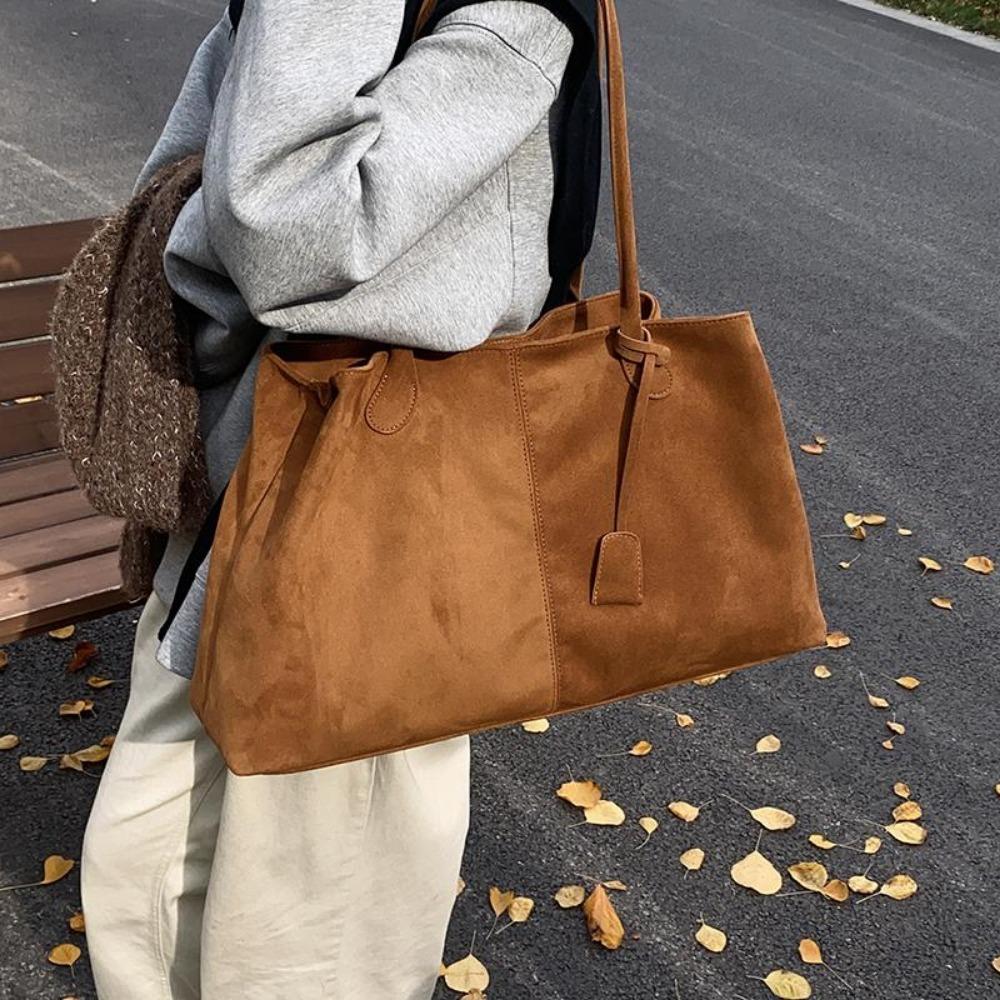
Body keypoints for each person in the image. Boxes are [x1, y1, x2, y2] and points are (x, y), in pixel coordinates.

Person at [79, 1, 596, 997]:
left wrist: (205, 281)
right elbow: (190, 185)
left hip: (377, 539)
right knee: (152, 865)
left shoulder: (506, 20)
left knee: (308, 932)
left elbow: (279, 233)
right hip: (245, 508)